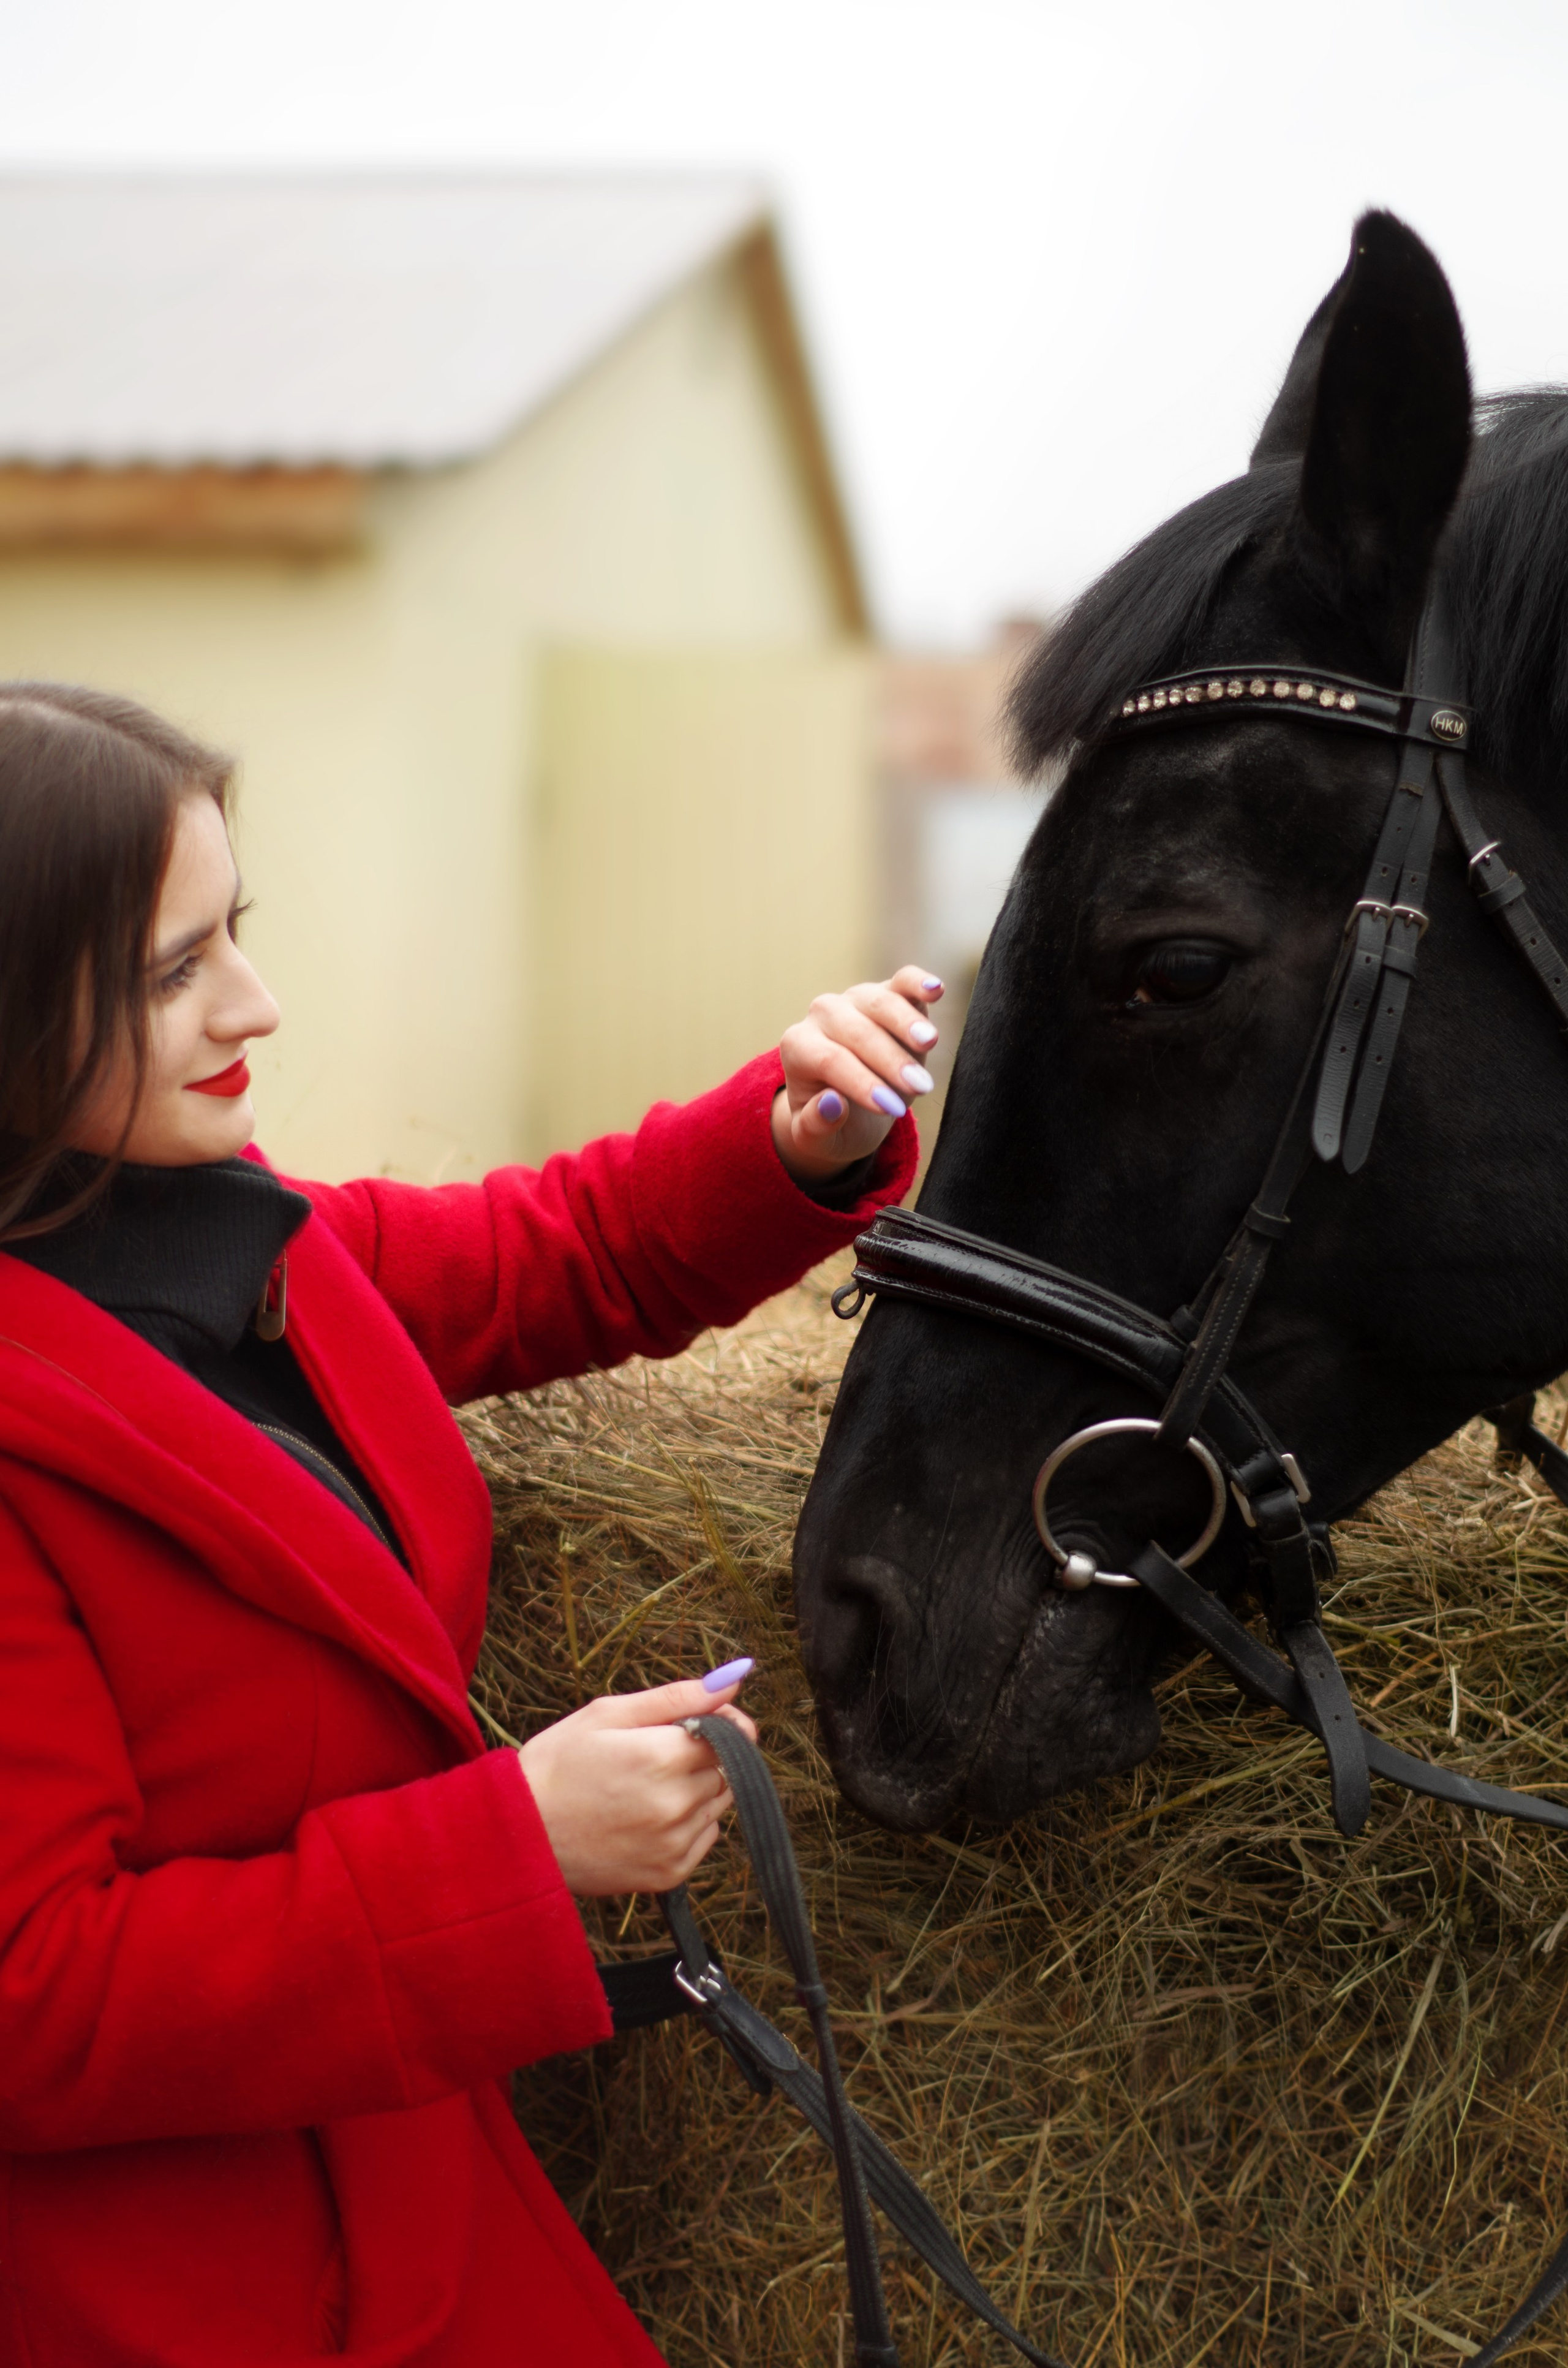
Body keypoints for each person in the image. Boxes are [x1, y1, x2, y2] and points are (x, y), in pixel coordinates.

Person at [0, 682, 939, 2367]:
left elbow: (563, 1253)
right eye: (172, 970)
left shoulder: (232, 1236)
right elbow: (36, 2000)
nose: (256, 1003)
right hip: (168, 2293)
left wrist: (796, 1135)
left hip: (401, 2193)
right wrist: (518, 1841)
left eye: (238, 930)